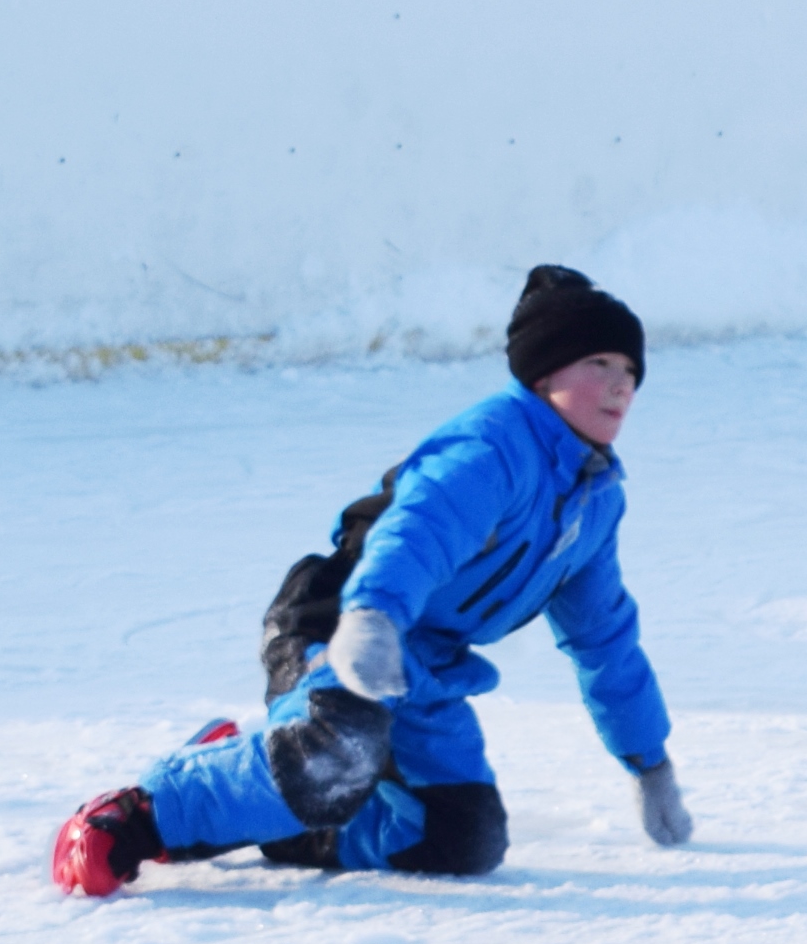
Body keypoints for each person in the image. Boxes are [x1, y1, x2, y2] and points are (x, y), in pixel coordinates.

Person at [50, 266, 696, 896]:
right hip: (340, 618)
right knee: (334, 756)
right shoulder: (490, 450)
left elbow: (604, 639)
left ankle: (271, 795)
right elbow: (414, 534)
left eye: (631, 372)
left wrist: (649, 761)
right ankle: (140, 814)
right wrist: (372, 618)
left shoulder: (594, 501)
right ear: (543, 371)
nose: (620, 387)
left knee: (461, 839)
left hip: (421, 665)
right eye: (599, 366)